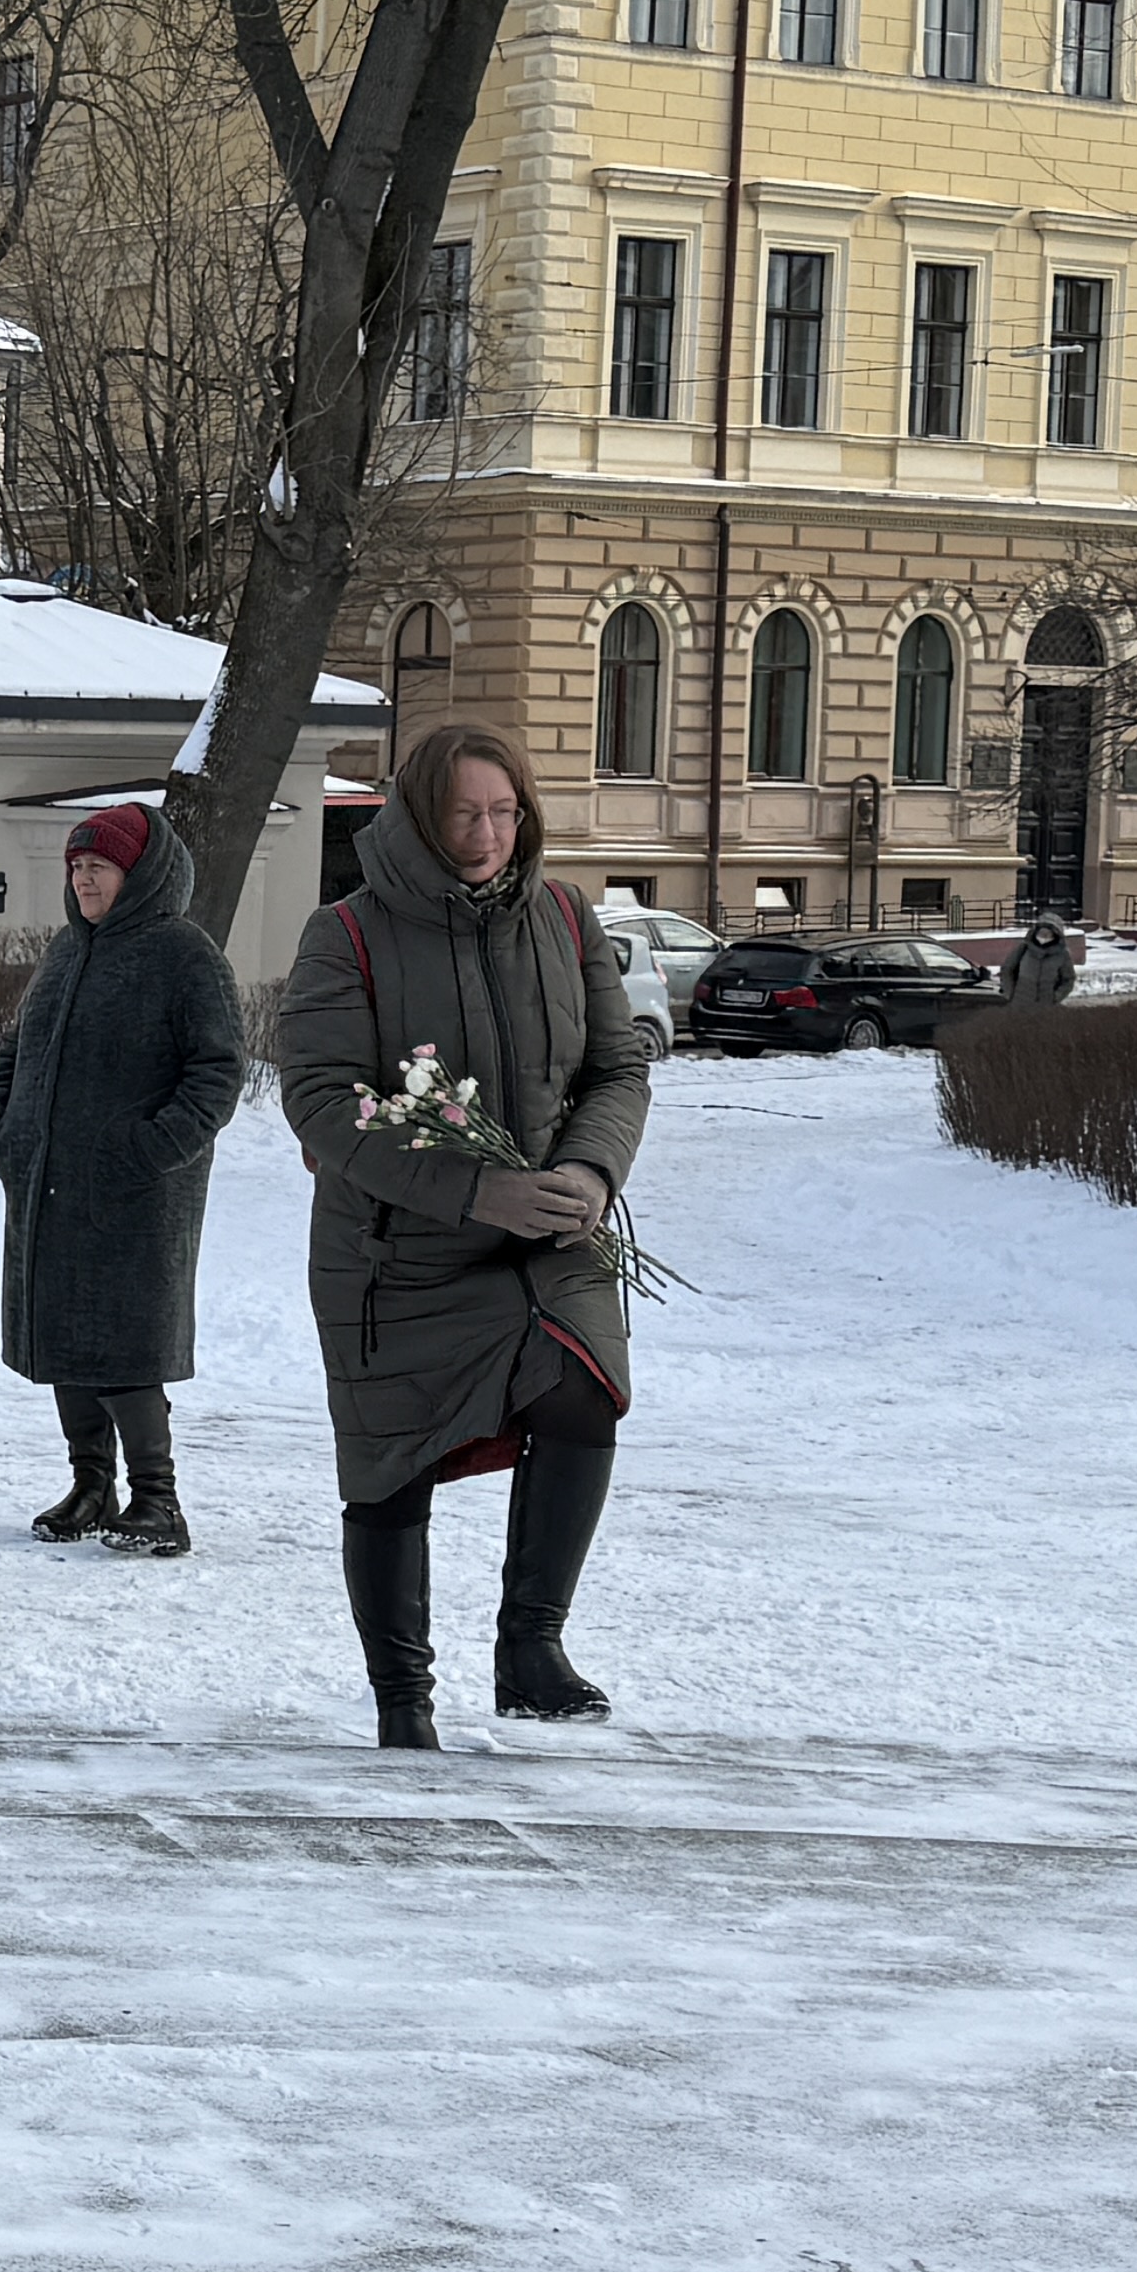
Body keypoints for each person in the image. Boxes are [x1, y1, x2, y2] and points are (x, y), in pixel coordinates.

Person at [277, 719, 659, 1750]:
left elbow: (617, 1069)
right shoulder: (346, 933)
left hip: (549, 1240)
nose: (488, 833)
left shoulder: (567, 919)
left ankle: (532, 1648)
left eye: (504, 811)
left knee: (583, 1391)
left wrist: (587, 1169)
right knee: (392, 1466)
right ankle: (403, 1696)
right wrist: (474, 1190)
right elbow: (320, 1098)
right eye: (464, 814)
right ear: (418, 818)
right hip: (395, 1256)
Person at [0, 798, 251, 1556]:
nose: (85, 880)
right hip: (48, 1182)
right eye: (77, 867)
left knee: (127, 1345)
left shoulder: (186, 955)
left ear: (141, 873)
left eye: (99, 867)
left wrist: (149, 1150)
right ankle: (90, 1484)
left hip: (136, 1194)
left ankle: (157, 1501)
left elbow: (218, 1072)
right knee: (65, 1333)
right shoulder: (67, 951)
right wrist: (0, 1127)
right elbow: (14, 1049)